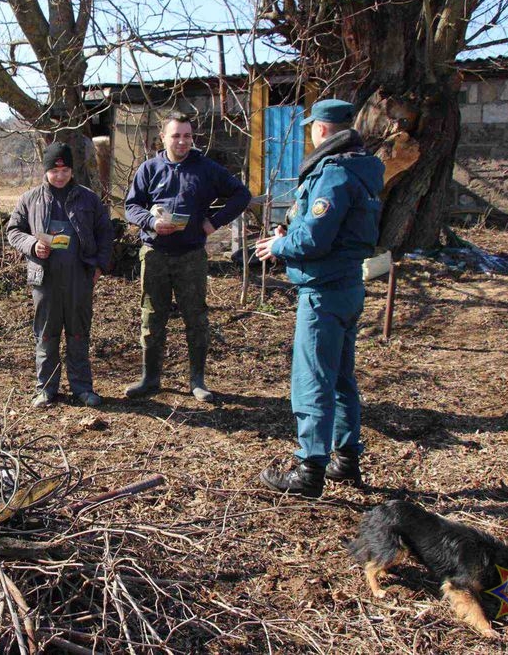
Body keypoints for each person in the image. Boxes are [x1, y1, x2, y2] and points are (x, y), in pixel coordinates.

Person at [255, 99, 385, 498]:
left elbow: (314, 237)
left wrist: (280, 245)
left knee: (312, 380)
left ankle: (309, 471)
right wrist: (291, 229)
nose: (310, 132)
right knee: (342, 379)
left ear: (323, 130)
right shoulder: (364, 169)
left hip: (323, 292)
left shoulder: (334, 174)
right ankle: (346, 460)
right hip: (348, 287)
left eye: (312, 126)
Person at [123, 112, 251, 402]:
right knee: (152, 317)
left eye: (187, 136)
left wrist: (214, 223)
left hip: (191, 255)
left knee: (196, 318)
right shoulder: (149, 168)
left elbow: (241, 195)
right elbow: (131, 205)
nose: (182, 141)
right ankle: (150, 378)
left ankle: (197, 380)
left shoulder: (205, 168)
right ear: (164, 138)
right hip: (155, 254)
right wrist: (151, 222)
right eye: (176, 135)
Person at [7, 142, 114, 409]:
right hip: (44, 279)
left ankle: (82, 389)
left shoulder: (88, 198)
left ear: (71, 170)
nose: (60, 176)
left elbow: (105, 233)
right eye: (55, 171)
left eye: (65, 170)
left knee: (78, 333)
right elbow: (13, 231)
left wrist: (99, 265)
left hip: (80, 277)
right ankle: (45, 389)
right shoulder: (29, 199)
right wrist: (32, 245)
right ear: (45, 171)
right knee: (46, 334)